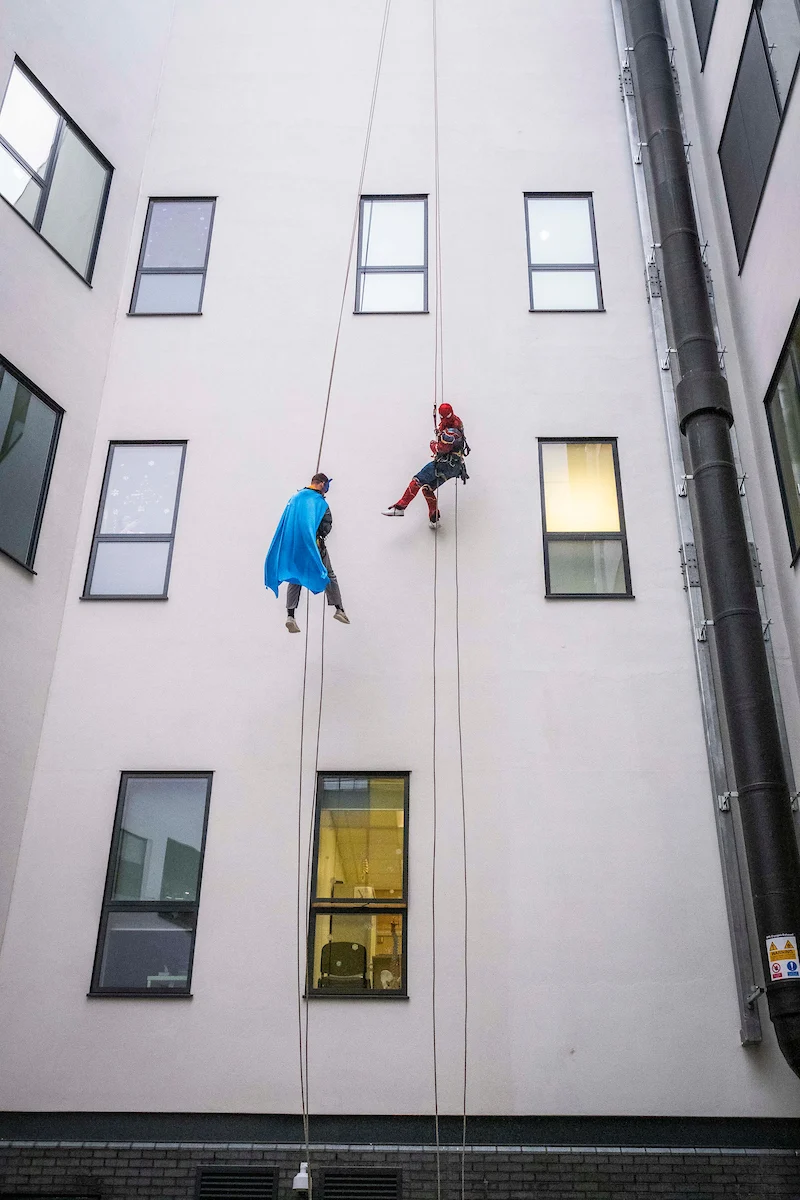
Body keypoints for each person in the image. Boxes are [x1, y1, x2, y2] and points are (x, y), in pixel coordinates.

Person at [264, 472, 349, 633]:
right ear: (322, 484)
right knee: (328, 574)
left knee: (296, 577)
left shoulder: (294, 498)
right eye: (326, 489)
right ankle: (339, 609)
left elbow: (287, 521)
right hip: (313, 545)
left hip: (294, 546)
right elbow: (326, 525)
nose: (325, 493)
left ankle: (290, 615)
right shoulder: (319, 502)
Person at [382, 403, 469, 526]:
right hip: (454, 468)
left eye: (446, 416)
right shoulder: (456, 422)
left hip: (445, 464)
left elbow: (440, 449)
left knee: (417, 480)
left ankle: (400, 507)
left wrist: (433, 443)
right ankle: (434, 519)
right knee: (427, 489)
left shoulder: (451, 432)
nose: (443, 419)